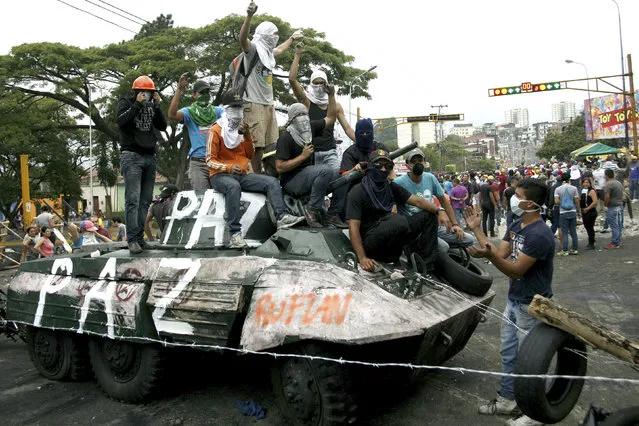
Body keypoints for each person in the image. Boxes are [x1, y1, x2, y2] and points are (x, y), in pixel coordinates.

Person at [466, 178, 554, 426]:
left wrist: (490, 257)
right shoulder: (517, 224)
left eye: (517, 195)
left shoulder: (540, 235)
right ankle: (507, 399)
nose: (511, 198)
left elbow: (515, 271)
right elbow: (499, 252)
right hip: (514, 301)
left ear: (530, 204)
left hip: (532, 305)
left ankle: (537, 411)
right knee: (508, 354)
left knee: (532, 360)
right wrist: (476, 229)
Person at [207, 91, 305, 248]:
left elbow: (250, 154)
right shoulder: (215, 131)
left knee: (272, 182)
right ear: (226, 109)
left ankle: (282, 217)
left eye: (240, 108)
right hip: (220, 176)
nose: (238, 111)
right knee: (233, 186)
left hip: (241, 174)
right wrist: (228, 167)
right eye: (234, 108)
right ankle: (235, 234)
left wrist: (247, 137)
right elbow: (209, 160)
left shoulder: (242, 129)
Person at [345, 149, 441, 272]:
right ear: (369, 166)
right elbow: (353, 226)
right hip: (370, 240)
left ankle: (427, 267)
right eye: (378, 165)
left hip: (390, 230)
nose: (383, 169)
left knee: (429, 215)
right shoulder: (358, 191)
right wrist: (362, 257)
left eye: (387, 166)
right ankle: (392, 259)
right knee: (397, 220)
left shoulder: (390, 187)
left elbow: (417, 201)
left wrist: (439, 210)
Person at [239, 1, 304, 173]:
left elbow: (280, 50)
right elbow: (242, 39)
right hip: (253, 103)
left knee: (270, 146)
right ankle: (255, 178)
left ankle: (269, 178)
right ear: (266, 35)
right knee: (256, 145)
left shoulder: (268, 53)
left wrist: (291, 39)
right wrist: (249, 16)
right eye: (273, 34)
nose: (276, 38)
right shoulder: (252, 50)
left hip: (268, 104)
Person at [275, 86, 345, 228]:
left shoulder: (310, 129)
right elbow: (279, 167)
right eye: (298, 116)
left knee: (340, 175)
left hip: (308, 176)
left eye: (305, 114)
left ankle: (333, 213)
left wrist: (331, 95)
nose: (303, 119)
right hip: (291, 182)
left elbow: (331, 118)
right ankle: (312, 209)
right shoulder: (286, 138)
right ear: (291, 120)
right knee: (324, 170)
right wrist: (302, 156)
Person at [117, 74, 168, 254]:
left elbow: (163, 126)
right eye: (145, 92)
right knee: (132, 199)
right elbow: (121, 122)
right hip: (131, 155)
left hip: (149, 156)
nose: (147, 95)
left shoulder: (152, 106)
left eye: (150, 92)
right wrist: (137, 104)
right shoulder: (126, 102)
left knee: (145, 200)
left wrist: (158, 105)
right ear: (137, 91)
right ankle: (132, 239)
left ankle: (139, 238)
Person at [288, 43, 355, 169]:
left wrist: (363, 141)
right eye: (316, 83)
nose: (319, 86)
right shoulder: (307, 102)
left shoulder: (335, 104)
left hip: (330, 152)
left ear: (327, 84)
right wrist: (297, 55)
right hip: (311, 152)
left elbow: (348, 129)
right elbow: (292, 79)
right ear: (311, 84)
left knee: (337, 177)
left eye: (322, 83)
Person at [394, 148, 464, 254]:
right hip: (413, 229)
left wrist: (455, 224)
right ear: (407, 164)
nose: (417, 163)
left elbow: (444, 201)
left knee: (467, 239)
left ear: (424, 162)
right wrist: (439, 211)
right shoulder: (398, 183)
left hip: (433, 225)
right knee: (443, 247)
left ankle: (433, 247)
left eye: (420, 160)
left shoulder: (430, 178)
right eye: (413, 161)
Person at [168, 74, 224, 190]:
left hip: (217, 161)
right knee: (201, 199)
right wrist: (179, 89)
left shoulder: (217, 112)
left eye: (207, 92)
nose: (205, 95)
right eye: (201, 92)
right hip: (198, 163)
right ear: (194, 95)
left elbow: (232, 118)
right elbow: (172, 114)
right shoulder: (189, 112)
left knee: (219, 198)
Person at [554, 173, 581, 256]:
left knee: (565, 232)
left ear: (561, 179)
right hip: (572, 211)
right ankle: (575, 249)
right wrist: (578, 211)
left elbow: (556, 201)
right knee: (573, 231)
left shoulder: (558, 189)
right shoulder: (574, 188)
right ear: (570, 179)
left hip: (563, 212)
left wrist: (563, 203)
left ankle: (565, 250)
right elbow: (577, 201)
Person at [603, 168, 624, 249]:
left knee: (614, 225)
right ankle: (618, 241)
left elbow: (607, 196)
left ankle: (615, 242)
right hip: (620, 205)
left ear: (606, 175)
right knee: (619, 225)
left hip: (613, 207)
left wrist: (605, 204)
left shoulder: (609, 184)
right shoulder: (618, 183)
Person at [580, 176, 598, 250]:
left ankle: (591, 243)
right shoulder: (583, 190)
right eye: (584, 182)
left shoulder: (592, 191)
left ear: (590, 183)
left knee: (590, 227)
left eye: (587, 182)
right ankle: (591, 240)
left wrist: (587, 208)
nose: (585, 184)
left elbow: (595, 202)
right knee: (587, 227)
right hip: (584, 211)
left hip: (590, 211)